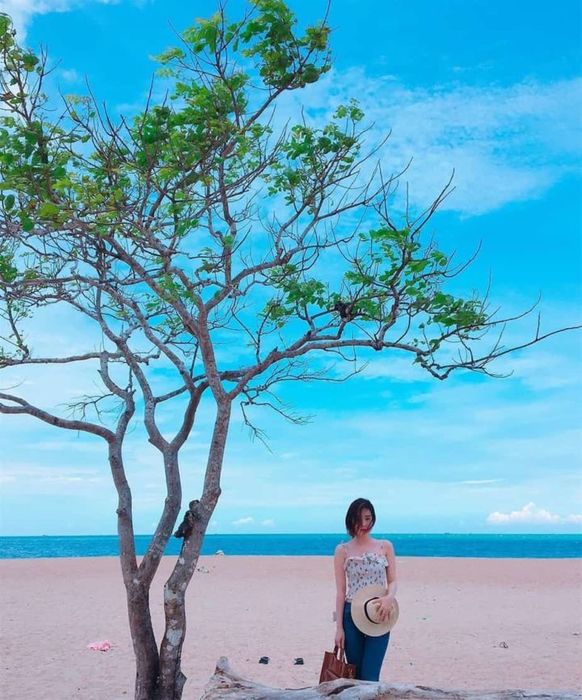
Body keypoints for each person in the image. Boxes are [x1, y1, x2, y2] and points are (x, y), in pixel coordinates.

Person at [333, 498, 397, 681]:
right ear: (350, 520)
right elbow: (340, 591)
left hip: (379, 612)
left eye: (368, 518)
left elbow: (393, 581)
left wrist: (389, 597)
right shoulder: (342, 550)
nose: (364, 524)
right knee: (355, 676)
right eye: (358, 519)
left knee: (370, 677)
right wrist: (339, 628)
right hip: (351, 614)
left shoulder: (385, 546)